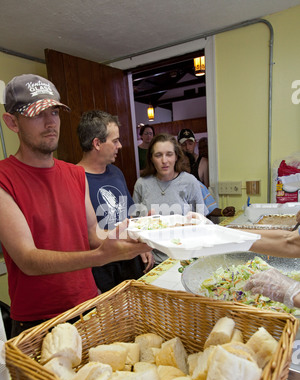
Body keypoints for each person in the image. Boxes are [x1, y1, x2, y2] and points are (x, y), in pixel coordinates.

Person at [0, 74, 150, 337]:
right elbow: (28, 259)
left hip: (88, 305)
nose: (50, 123)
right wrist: (102, 256)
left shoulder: (74, 174)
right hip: (39, 321)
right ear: (12, 122)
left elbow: (92, 235)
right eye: (37, 114)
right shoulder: (5, 179)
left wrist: (135, 233)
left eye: (55, 113)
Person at [77, 110, 153, 292]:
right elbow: (86, 236)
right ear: (97, 143)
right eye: (115, 140)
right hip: (101, 268)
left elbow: (130, 215)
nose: (120, 145)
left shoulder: (116, 172)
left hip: (129, 261)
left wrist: (141, 246)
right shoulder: (74, 178)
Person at [132, 133, 209, 265]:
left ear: (176, 156)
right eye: (158, 155)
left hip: (185, 259)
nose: (164, 160)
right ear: (151, 158)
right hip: (152, 261)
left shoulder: (190, 182)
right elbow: (135, 224)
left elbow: (201, 222)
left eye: (169, 154)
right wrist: (142, 249)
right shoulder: (142, 184)